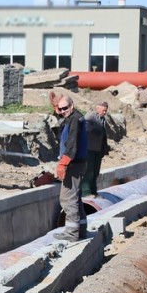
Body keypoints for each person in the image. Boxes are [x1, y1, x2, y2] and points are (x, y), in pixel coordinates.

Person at [49, 92, 88, 242]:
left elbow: (72, 143)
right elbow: (62, 121)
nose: (63, 111)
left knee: (67, 199)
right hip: (77, 163)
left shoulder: (75, 120)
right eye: (60, 109)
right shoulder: (72, 117)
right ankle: (81, 230)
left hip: (73, 165)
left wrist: (63, 163)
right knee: (76, 199)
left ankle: (72, 234)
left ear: (72, 105)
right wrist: (56, 108)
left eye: (65, 108)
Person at [82, 101, 110, 196]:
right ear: (98, 108)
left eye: (106, 111)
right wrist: (94, 130)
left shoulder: (103, 119)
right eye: (103, 110)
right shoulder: (90, 116)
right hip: (89, 149)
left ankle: (93, 190)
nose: (105, 112)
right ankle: (86, 192)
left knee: (95, 172)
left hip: (98, 150)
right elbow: (84, 126)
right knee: (88, 171)